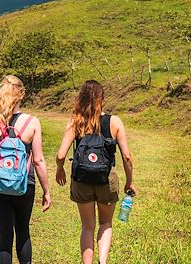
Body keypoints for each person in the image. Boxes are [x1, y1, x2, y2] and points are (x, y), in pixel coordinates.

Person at [55, 80, 135, 264]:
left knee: (87, 226)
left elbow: (61, 154)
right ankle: (103, 262)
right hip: (107, 180)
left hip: (81, 180)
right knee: (105, 223)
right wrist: (129, 182)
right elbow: (127, 156)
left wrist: (60, 170)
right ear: (102, 99)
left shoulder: (76, 121)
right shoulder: (114, 122)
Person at [0, 75, 52, 264]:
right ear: (21, 95)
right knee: (23, 231)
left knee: (4, 236)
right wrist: (47, 190)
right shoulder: (31, 122)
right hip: (25, 184)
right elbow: (39, 160)